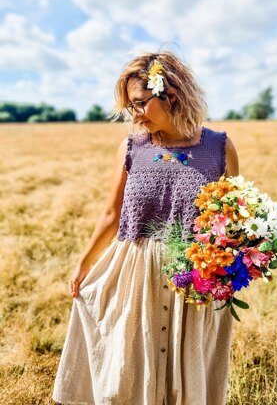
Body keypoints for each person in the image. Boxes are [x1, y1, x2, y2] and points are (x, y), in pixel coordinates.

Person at [52, 51, 239, 405]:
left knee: (185, 377)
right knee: (129, 371)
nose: (134, 114)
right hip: (136, 274)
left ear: (171, 93)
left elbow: (234, 215)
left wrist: (236, 262)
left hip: (195, 277)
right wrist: (85, 261)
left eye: (139, 103)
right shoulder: (132, 147)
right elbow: (112, 212)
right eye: (129, 106)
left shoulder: (219, 147)